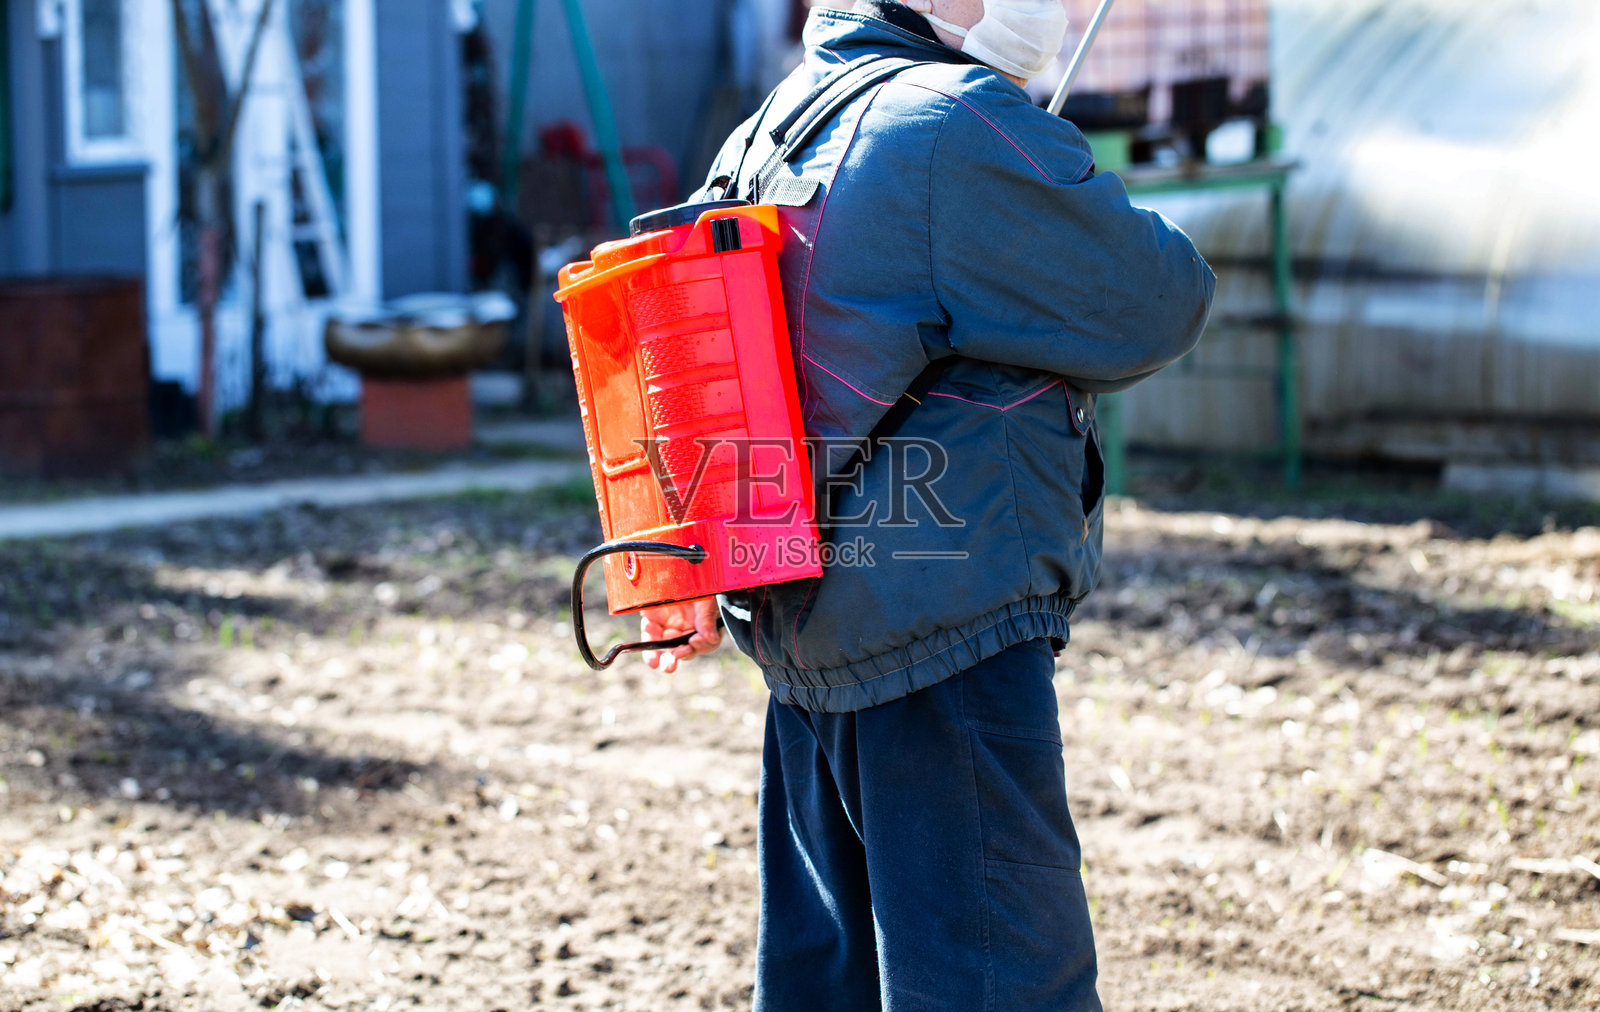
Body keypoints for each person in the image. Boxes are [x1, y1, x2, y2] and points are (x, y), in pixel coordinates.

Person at [639, 2, 1215, 1008]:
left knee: (834, 986)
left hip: (802, 644)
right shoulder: (954, 124)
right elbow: (1156, 298)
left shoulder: (771, 125)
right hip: (944, 640)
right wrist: (1034, 155)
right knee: (999, 983)